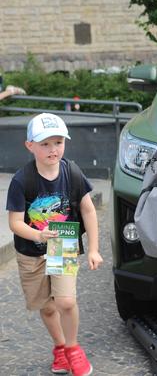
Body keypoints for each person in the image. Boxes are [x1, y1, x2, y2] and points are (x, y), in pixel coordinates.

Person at [6, 112, 103, 376]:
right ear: (30, 145)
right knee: (47, 308)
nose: (53, 149)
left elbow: (89, 211)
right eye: (45, 143)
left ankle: (73, 349)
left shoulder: (71, 172)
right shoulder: (21, 180)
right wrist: (38, 236)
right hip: (30, 250)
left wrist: (93, 248)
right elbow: (14, 223)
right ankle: (60, 348)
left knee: (66, 302)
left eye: (58, 142)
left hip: (63, 239)